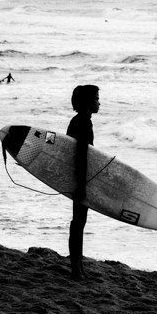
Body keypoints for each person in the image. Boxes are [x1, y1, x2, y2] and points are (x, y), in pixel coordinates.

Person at [67, 84, 99, 281]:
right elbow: (80, 156)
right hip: (79, 179)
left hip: (76, 178)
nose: (99, 102)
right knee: (78, 223)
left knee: (78, 222)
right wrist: (81, 185)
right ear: (88, 102)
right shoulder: (83, 123)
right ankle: (75, 269)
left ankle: (77, 266)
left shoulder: (78, 120)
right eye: (96, 98)